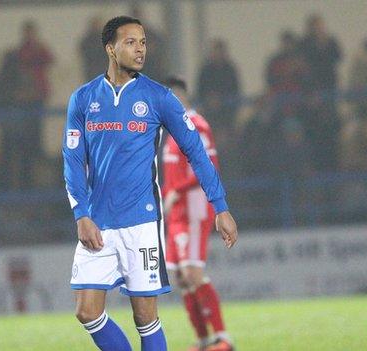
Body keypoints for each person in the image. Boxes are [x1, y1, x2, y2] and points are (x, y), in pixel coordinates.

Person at [63, 16, 238, 351]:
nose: (140, 49)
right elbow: (71, 161)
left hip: (141, 223)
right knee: (87, 312)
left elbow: (197, 153)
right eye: (130, 42)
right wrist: (80, 214)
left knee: (145, 318)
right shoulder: (83, 99)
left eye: (143, 42)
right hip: (96, 221)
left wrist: (221, 206)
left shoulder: (158, 97)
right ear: (110, 49)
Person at [161, 76, 235, 351]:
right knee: (181, 277)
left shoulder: (197, 125)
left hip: (193, 209)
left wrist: (175, 192)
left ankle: (223, 338)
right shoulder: (173, 129)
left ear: (179, 96)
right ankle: (204, 340)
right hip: (177, 214)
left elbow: (207, 166)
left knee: (193, 273)